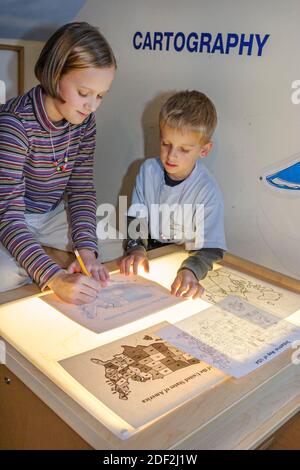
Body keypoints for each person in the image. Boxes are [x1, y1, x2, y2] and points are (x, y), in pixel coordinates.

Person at [0, 22, 116, 304]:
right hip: (9, 216)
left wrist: (86, 252)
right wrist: (54, 277)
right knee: (4, 277)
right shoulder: (14, 125)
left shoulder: (85, 122)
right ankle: (42, 264)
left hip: (50, 213)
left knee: (113, 248)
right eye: (84, 93)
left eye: (100, 95)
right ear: (55, 75)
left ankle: (44, 260)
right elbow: (9, 217)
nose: (92, 106)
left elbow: (81, 190)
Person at [119, 90, 227, 299]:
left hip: (184, 258)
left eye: (184, 149)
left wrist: (191, 270)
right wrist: (136, 248)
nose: (171, 155)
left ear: (204, 150)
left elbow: (212, 247)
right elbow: (137, 217)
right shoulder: (148, 170)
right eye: (166, 144)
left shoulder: (207, 190)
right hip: (149, 254)